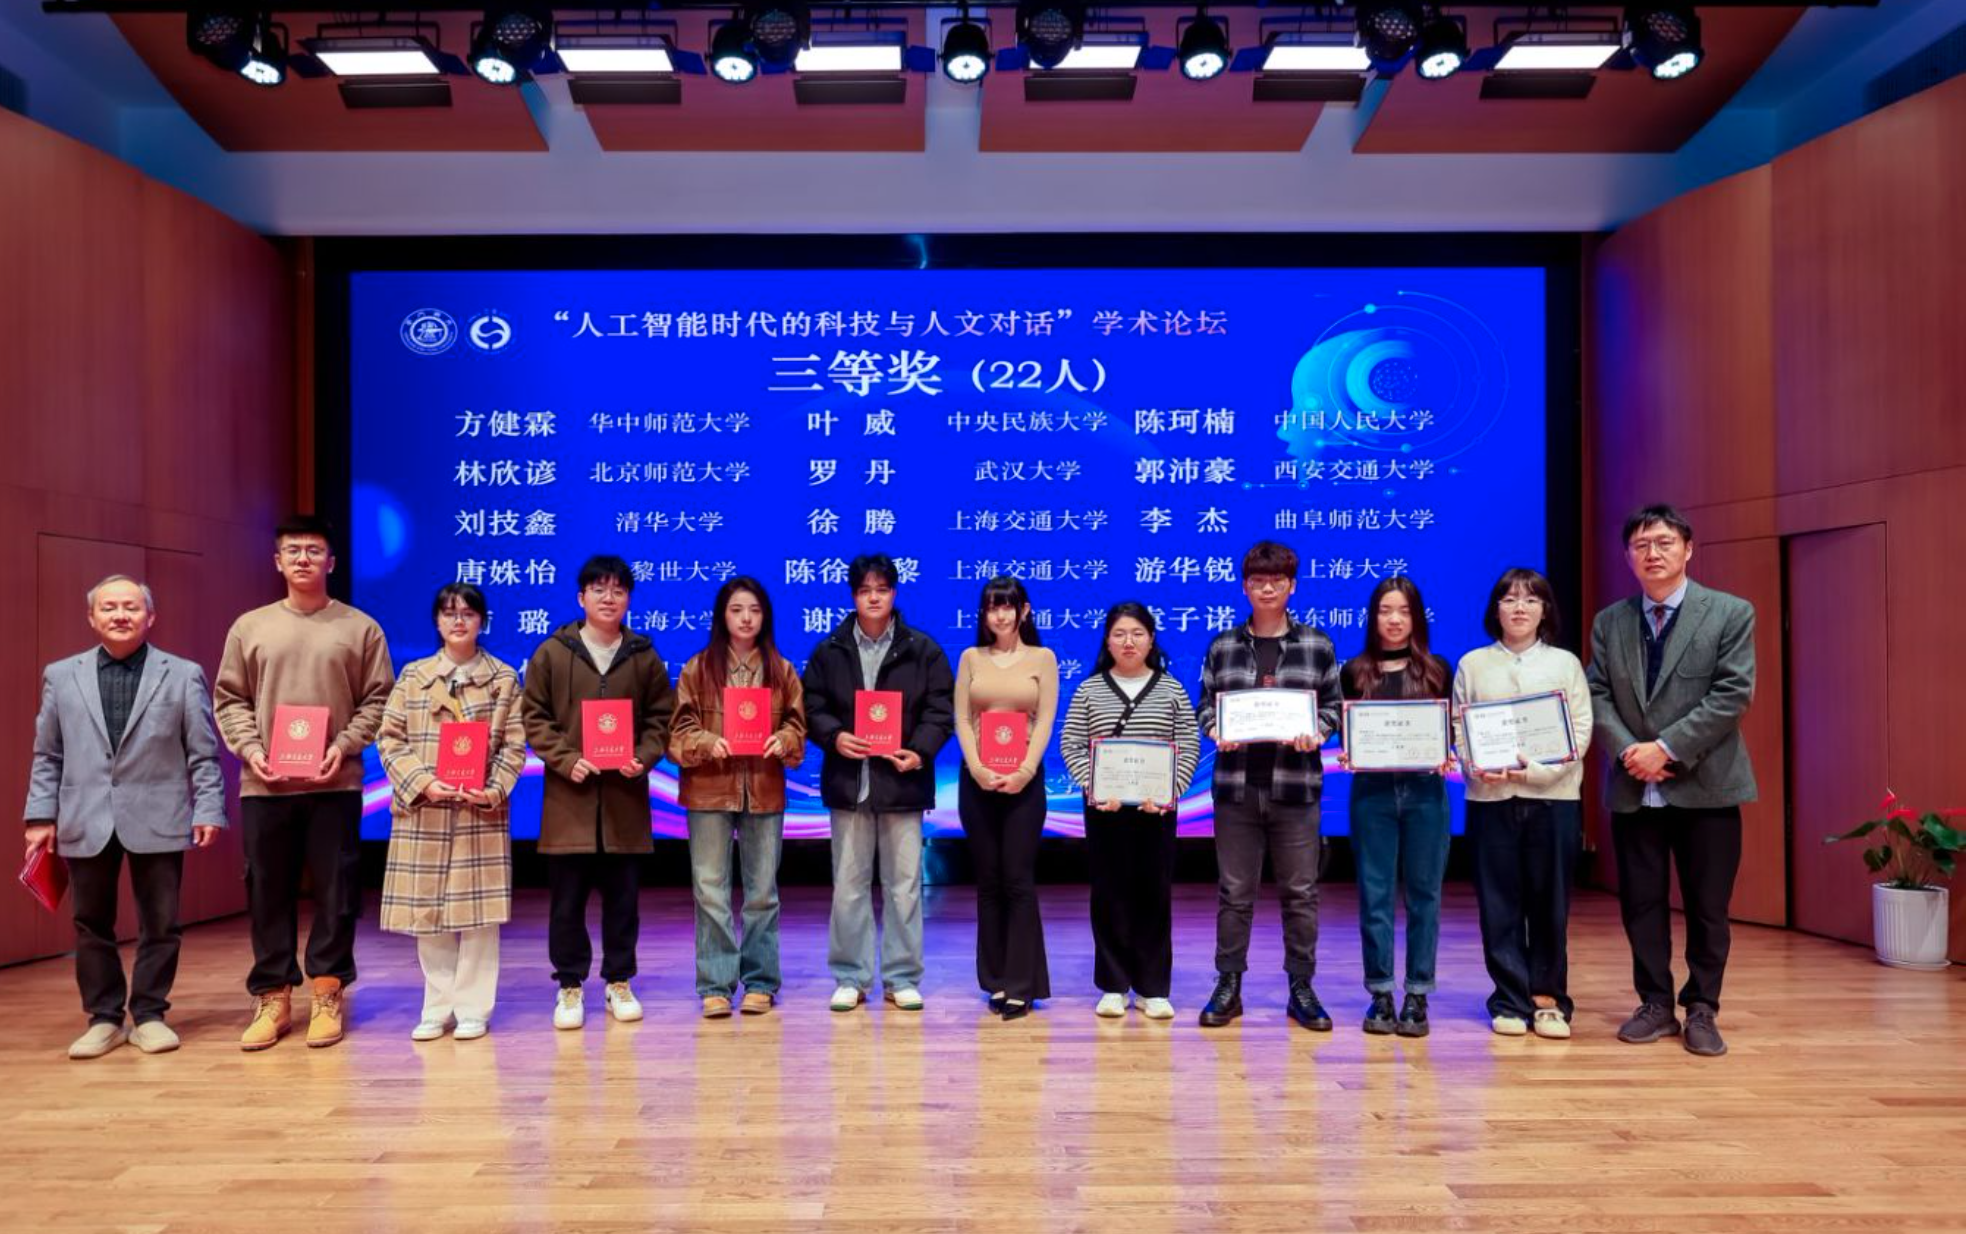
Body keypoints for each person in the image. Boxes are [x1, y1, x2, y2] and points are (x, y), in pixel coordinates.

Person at [23, 576, 227, 1059]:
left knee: (161, 922)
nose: (120, 615)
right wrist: (39, 815)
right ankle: (104, 1018)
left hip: (160, 814)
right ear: (91, 617)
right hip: (83, 814)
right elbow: (48, 753)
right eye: (109, 607)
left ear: (150, 616)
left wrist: (209, 807)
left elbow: (202, 753)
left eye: (131, 607)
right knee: (90, 922)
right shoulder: (61, 675)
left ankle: (151, 1014)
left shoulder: (182, 674)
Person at [214, 515, 394, 1051]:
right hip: (265, 785)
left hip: (335, 783)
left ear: (331, 562)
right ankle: (273, 996)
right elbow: (230, 699)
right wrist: (252, 750)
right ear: (277, 561)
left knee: (338, 892)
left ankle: (327, 991)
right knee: (267, 890)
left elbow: (378, 700)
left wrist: (343, 746)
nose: (303, 558)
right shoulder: (250, 627)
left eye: (314, 550)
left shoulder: (360, 627)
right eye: (292, 550)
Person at [1587, 504, 1757, 1058]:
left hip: (1708, 785)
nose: (1652, 553)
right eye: (1641, 545)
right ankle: (1655, 1004)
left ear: (1688, 549)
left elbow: (1732, 694)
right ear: (1628, 557)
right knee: (1641, 903)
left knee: (1708, 906)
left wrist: (1665, 749)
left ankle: (1703, 1007)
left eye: (1663, 542)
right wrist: (1629, 752)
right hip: (1634, 786)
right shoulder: (1610, 621)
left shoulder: (1730, 612)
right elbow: (1596, 694)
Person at [522, 554, 676, 1031]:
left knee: (623, 901)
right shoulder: (553, 652)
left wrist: (643, 757)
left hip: (624, 801)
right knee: (566, 903)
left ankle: (619, 981)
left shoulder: (643, 655)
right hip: (569, 801)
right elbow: (534, 717)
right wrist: (567, 759)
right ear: (581, 597)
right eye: (599, 589)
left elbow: (661, 719)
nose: (609, 598)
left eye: (618, 590)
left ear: (628, 599)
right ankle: (569, 985)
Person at [1194, 540, 1341, 1032]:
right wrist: (1215, 728)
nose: (1267, 588)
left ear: (1292, 585)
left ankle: (1301, 987)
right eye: (1258, 580)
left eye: (1277, 580)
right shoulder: (1223, 645)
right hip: (1236, 788)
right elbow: (1204, 704)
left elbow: (1333, 706)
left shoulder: (1316, 644)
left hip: (1295, 788)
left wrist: (1317, 731)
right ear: (1245, 587)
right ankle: (1229, 984)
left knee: (1300, 892)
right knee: (1235, 892)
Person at [801, 553, 955, 1013]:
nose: (873, 598)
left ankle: (901, 977)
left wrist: (920, 751)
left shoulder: (922, 649)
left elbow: (940, 709)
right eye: (865, 590)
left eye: (882, 589)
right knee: (848, 886)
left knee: (903, 886)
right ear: (853, 595)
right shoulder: (830, 650)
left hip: (901, 784)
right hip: (850, 783)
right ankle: (851, 976)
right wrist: (834, 736)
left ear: (894, 594)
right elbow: (811, 705)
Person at [375, 583, 528, 1042]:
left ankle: (474, 1009)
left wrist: (493, 789)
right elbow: (389, 738)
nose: (458, 621)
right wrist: (422, 782)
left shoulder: (503, 678)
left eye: (467, 613)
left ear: (482, 621)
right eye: (448, 613)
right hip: (426, 809)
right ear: (437, 622)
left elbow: (514, 745)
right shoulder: (414, 676)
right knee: (428, 912)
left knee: (479, 915)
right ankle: (437, 1006)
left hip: (478, 811)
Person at [1453, 569, 1593, 1039]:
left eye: (1530, 600)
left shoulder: (1564, 664)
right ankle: (1509, 999)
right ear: (1495, 609)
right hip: (1490, 799)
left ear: (1544, 610)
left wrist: (1534, 771)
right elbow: (1460, 729)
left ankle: (1549, 1001)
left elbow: (1579, 731)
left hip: (1552, 800)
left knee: (1550, 904)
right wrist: (1478, 768)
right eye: (1509, 599)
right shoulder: (1473, 664)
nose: (1519, 608)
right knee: (1499, 905)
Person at [669, 576, 806, 1019]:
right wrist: (707, 741)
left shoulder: (782, 670)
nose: (746, 618)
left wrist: (784, 739)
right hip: (710, 790)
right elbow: (678, 731)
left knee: (762, 891)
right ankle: (715, 984)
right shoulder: (698, 668)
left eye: (755, 610)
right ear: (722, 617)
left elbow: (797, 726)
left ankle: (761, 982)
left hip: (763, 789)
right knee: (710, 890)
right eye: (737, 610)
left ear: (765, 617)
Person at [1059, 601, 1199, 1021]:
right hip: (1106, 810)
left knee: (1154, 894)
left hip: (1157, 811)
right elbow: (1071, 743)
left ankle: (1154, 988)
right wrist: (1094, 785)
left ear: (1151, 639)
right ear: (1107, 641)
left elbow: (1188, 742)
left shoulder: (1171, 689)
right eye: (1119, 634)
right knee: (1109, 894)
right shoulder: (1090, 689)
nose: (1128, 642)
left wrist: (1171, 791)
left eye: (1137, 633)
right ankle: (1114, 985)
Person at [1340, 576, 1454, 1038]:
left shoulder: (1437, 669)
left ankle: (1418, 994)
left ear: (1416, 617)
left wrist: (1447, 752)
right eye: (1385, 610)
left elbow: (1448, 731)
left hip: (1426, 792)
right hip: (1373, 794)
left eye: (1403, 611)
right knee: (1375, 894)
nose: (1394, 619)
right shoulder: (1355, 671)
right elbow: (1347, 733)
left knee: (1425, 894)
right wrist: (1349, 751)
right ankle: (1381, 993)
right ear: (1373, 618)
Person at [951, 576, 1059, 1020]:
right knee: (989, 882)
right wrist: (977, 768)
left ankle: (1021, 983)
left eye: (1007, 606)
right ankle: (995, 979)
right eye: (992, 607)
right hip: (976, 781)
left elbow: (1046, 719)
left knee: (1017, 880)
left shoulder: (1042, 658)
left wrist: (1024, 771)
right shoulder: (971, 658)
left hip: (1023, 783)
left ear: (1024, 611)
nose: (999, 615)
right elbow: (962, 719)